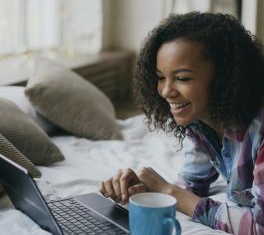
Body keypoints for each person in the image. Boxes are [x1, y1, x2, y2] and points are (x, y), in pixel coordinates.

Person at [99, 12, 264, 234]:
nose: (166, 91)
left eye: (182, 78)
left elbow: (257, 227)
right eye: (160, 77)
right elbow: (192, 185)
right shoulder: (202, 122)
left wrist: (168, 190)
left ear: (225, 77)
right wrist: (147, 188)